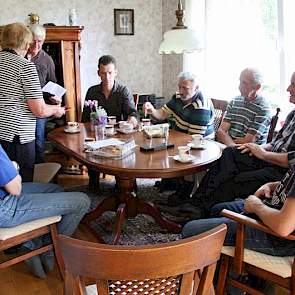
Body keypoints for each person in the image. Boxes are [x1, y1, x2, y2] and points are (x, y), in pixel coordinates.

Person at [178, 71, 295, 219]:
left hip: (284, 173)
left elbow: (291, 159)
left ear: (257, 87)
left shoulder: (263, 107)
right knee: (230, 154)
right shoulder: (292, 114)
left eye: (293, 85)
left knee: (236, 178)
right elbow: (274, 143)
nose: (288, 89)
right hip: (268, 159)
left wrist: (262, 152)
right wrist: (257, 149)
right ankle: (193, 204)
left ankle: (199, 212)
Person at [0, 144, 91, 278]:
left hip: (4, 196)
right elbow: (15, 189)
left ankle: (31, 244)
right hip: (6, 208)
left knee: (56, 190)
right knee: (83, 201)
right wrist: (15, 169)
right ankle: (49, 248)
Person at [182, 164, 295, 257]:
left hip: (276, 238)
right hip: (272, 209)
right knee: (218, 209)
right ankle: (213, 266)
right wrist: (271, 185)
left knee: (190, 229)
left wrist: (256, 206)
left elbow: (283, 227)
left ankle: (205, 277)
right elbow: (289, 183)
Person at [0, 23, 65, 182]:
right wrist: (57, 110)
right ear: (24, 43)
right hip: (17, 136)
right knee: (21, 180)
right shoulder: (25, 66)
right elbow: (39, 110)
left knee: (4, 179)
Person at [143, 71, 215, 138]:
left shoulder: (201, 107)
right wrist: (152, 110)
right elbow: (162, 114)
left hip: (201, 145)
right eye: (179, 87)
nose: (180, 91)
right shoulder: (178, 96)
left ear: (196, 88)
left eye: (185, 88)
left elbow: (192, 139)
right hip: (180, 136)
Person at [26, 24, 60, 164]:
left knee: (38, 142)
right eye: (34, 40)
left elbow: (53, 84)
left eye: (40, 41)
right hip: (22, 106)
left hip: (40, 106)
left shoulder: (47, 60)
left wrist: (56, 98)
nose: (36, 44)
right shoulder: (20, 56)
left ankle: (39, 175)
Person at [216, 67, 271, 146]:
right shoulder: (235, 101)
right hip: (230, 147)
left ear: (257, 87)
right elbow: (221, 131)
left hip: (249, 152)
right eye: (240, 82)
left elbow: (249, 141)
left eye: (244, 83)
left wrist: (229, 143)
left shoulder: (263, 108)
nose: (239, 86)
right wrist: (231, 146)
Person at [82, 54, 138, 127]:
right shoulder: (92, 91)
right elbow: (85, 119)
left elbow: (132, 112)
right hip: (98, 133)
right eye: (103, 73)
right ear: (98, 73)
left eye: (110, 73)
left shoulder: (124, 91)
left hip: (119, 133)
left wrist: (132, 118)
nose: (107, 77)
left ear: (115, 73)